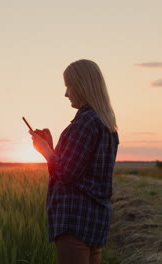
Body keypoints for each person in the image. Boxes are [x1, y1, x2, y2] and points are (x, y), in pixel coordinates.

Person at [29, 59, 119, 264]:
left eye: (68, 86)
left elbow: (67, 173)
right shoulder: (106, 124)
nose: (66, 94)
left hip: (75, 220)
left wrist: (45, 151)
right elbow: (83, 169)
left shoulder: (84, 122)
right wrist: (52, 148)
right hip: (95, 222)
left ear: (81, 86)